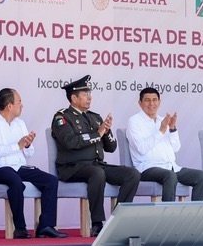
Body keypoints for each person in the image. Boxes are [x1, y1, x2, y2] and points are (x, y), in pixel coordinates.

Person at [51, 75, 140, 237]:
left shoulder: (94, 117)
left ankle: (117, 221)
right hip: (72, 167)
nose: (90, 97)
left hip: (96, 164)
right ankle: (97, 224)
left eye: (89, 93)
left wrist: (106, 131)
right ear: (74, 97)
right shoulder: (62, 117)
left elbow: (111, 147)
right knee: (97, 173)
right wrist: (98, 134)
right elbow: (71, 142)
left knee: (132, 174)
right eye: (85, 94)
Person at [0, 88, 67, 239]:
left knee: (50, 181)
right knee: (16, 181)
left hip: (18, 167)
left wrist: (26, 144)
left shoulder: (20, 123)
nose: (22, 105)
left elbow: (29, 153)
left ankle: (45, 225)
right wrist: (17, 146)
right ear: (9, 106)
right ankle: (20, 228)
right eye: (19, 102)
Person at [126, 86, 203, 202]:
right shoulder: (134, 121)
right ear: (140, 103)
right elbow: (141, 148)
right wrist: (161, 130)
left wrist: (172, 128)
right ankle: (167, 216)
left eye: (154, 100)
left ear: (159, 102)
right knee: (170, 176)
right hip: (147, 168)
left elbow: (176, 148)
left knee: (202, 176)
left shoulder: (162, 120)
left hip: (171, 166)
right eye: (147, 100)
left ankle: (195, 216)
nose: (151, 104)